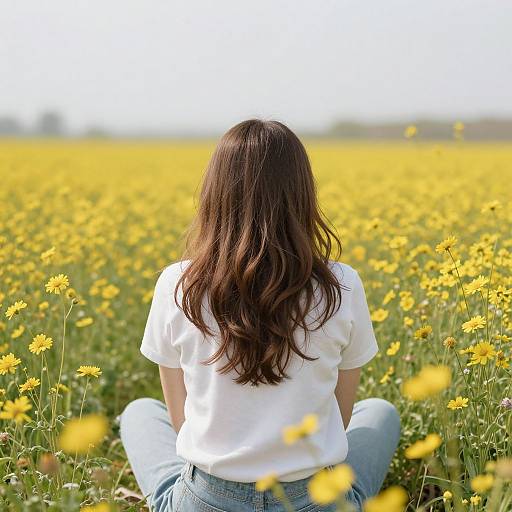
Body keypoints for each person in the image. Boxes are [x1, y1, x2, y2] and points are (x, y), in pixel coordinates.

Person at [119, 119, 400, 512]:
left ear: (215, 194)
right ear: (302, 194)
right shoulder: (342, 285)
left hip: (207, 498)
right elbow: (341, 412)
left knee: (139, 413)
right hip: (313, 499)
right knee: (380, 412)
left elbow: (182, 422)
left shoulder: (176, 284)